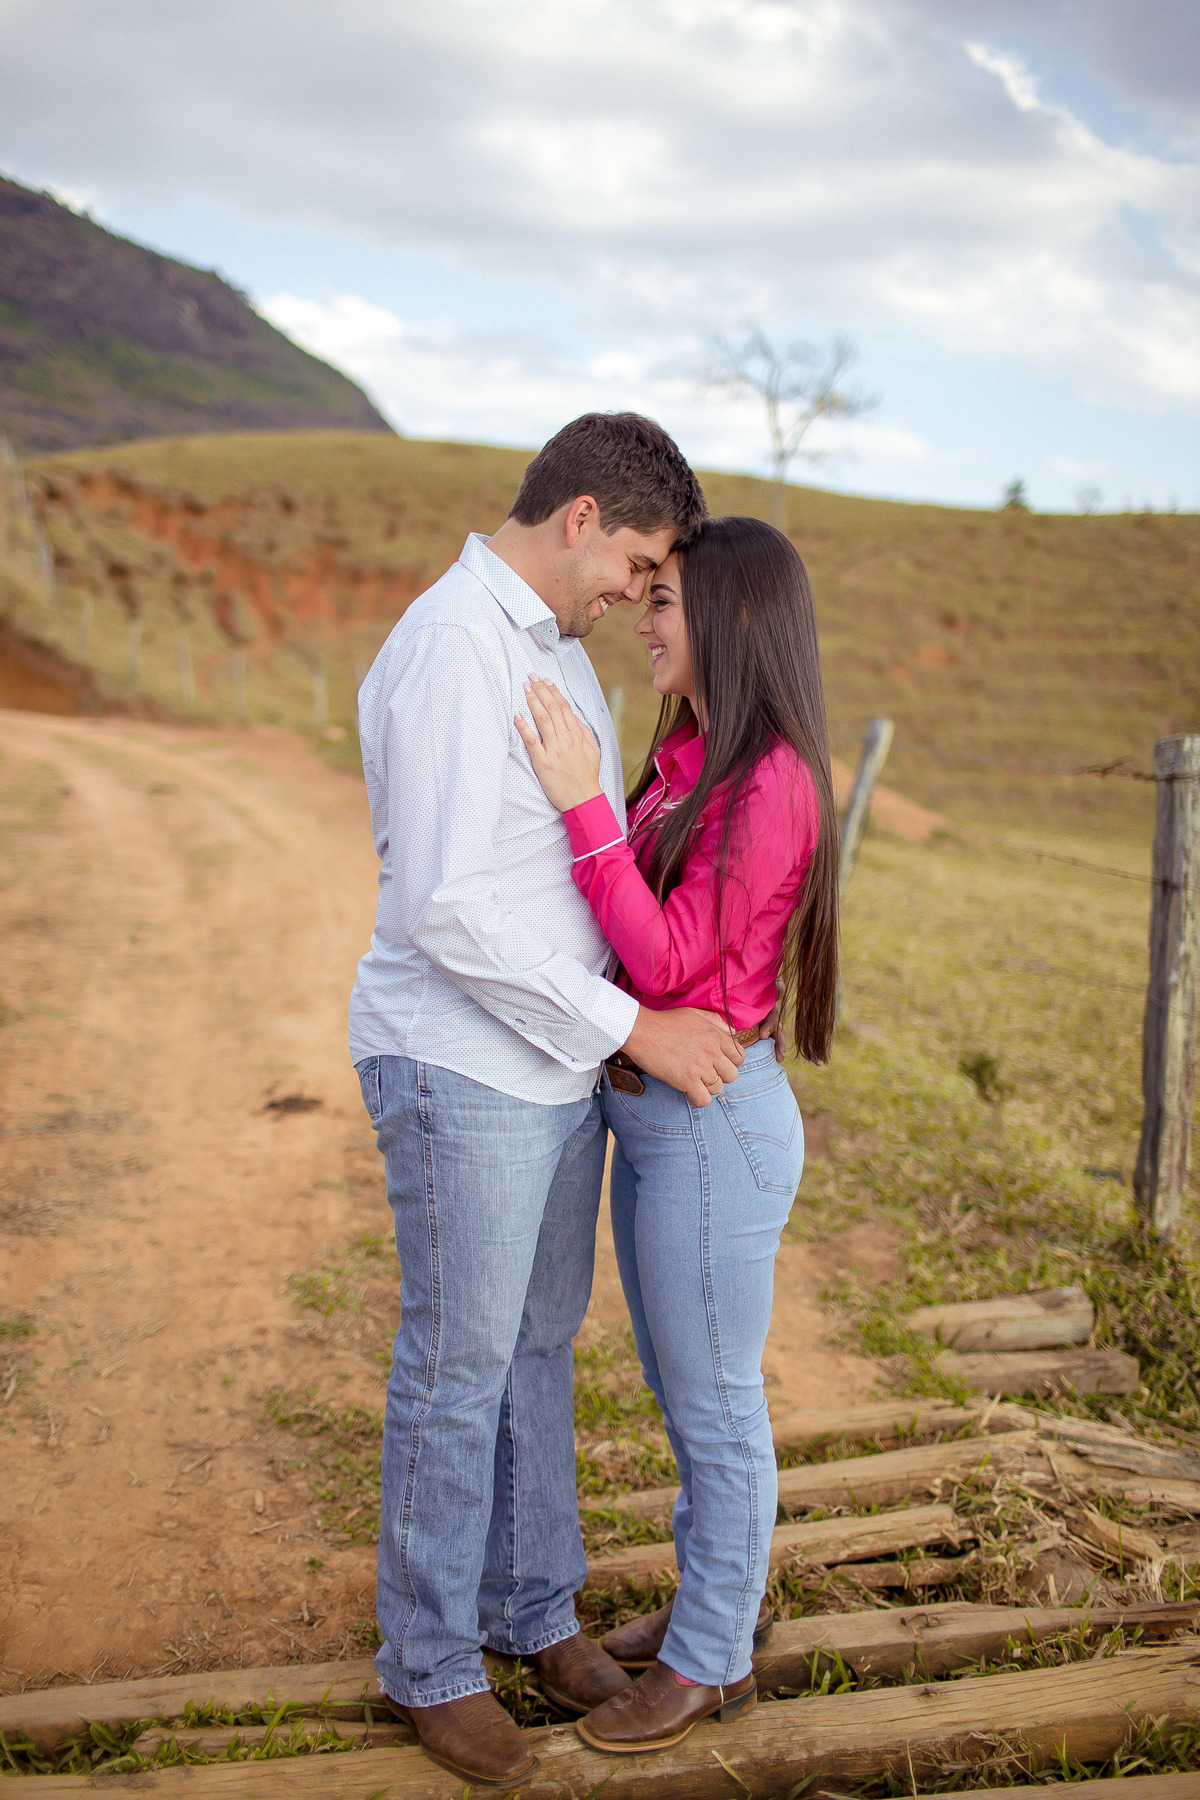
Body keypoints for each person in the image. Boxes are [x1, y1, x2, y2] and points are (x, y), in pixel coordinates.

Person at [349, 413, 751, 1792]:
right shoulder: (454, 649)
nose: (636, 596)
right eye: (636, 564)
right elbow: (446, 905)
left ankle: (531, 1611)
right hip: (462, 1064)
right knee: (459, 1365)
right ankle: (429, 1662)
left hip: (553, 1066)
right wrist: (633, 1023)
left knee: (534, 1345)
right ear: (581, 518)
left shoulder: (557, 656)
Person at [514, 513, 839, 1754]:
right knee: (680, 1388)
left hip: (711, 1126)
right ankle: (719, 1604)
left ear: (735, 617)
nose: (646, 619)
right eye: (647, 596)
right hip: (655, 1120)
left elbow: (667, 965)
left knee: (714, 1404)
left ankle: (711, 1659)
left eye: (666, 601)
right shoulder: (695, 755)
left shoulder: (772, 780)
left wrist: (581, 809)